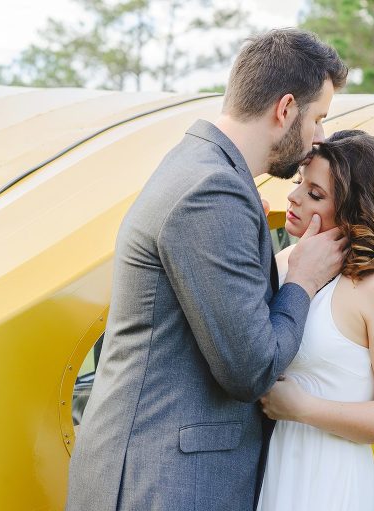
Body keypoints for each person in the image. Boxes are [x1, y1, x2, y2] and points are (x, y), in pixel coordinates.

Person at [64, 29, 348, 511]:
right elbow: (251, 369)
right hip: (166, 483)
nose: (319, 137)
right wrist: (303, 278)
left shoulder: (202, 169)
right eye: (317, 118)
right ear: (284, 110)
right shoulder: (211, 191)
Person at [256, 130, 374, 511]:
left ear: (355, 210)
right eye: (301, 183)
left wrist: (304, 409)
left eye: (315, 194)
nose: (294, 197)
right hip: (268, 470)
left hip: (329, 479)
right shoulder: (286, 264)